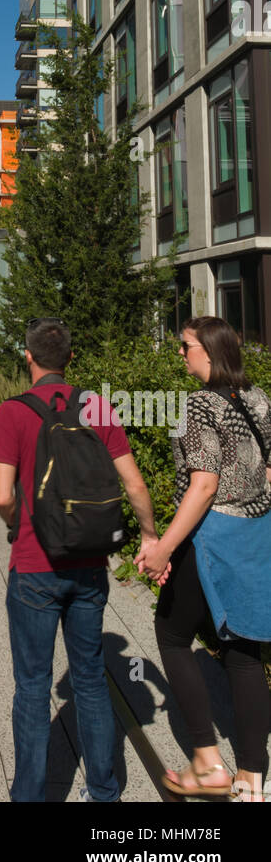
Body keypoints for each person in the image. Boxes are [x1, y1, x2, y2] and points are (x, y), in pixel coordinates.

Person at [0, 318, 162, 804]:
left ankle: (29, 795)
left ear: (28, 357)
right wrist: (149, 536)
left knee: (32, 685)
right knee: (90, 678)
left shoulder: (13, 413)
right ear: (71, 358)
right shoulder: (97, 405)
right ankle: (104, 790)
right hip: (88, 564)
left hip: (34, 566)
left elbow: (2, 495)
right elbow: (134, 485)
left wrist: (17, 523)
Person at [136, 317, 271, 801]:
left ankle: (208, 762)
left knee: (172, 635)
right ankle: (252, 780)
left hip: (211, 535)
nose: (180, 354)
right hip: (255, 532)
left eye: (185, 346)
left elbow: (205, 483)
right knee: (243, 650)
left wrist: (164, 547)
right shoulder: (257, 398)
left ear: (209, 353)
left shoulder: (197, 404)